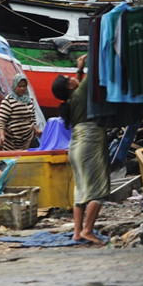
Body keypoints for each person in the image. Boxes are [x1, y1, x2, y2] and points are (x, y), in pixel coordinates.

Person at [52, 55, 109, 245]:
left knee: (81, 191)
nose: (73, 78)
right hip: (90, 141)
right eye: (69, 79)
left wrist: (78, 69)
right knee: (99, 190)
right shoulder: (80, 94)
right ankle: (87, 230)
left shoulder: (70, 101)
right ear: (69, 86)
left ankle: (77, 232)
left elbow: (79, 81)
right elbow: (92, 76)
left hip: (75, 146)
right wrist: (89, 57)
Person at [0, 74, 41, 150]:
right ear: (14, 86)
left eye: (24, 86)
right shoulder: (8, 101)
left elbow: (33, 118)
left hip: (29, 139)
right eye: (19, 86)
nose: (22, 88)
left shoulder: (29, 100)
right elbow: (1, 121)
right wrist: (2, 135)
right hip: (12, 143)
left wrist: (36, 130)